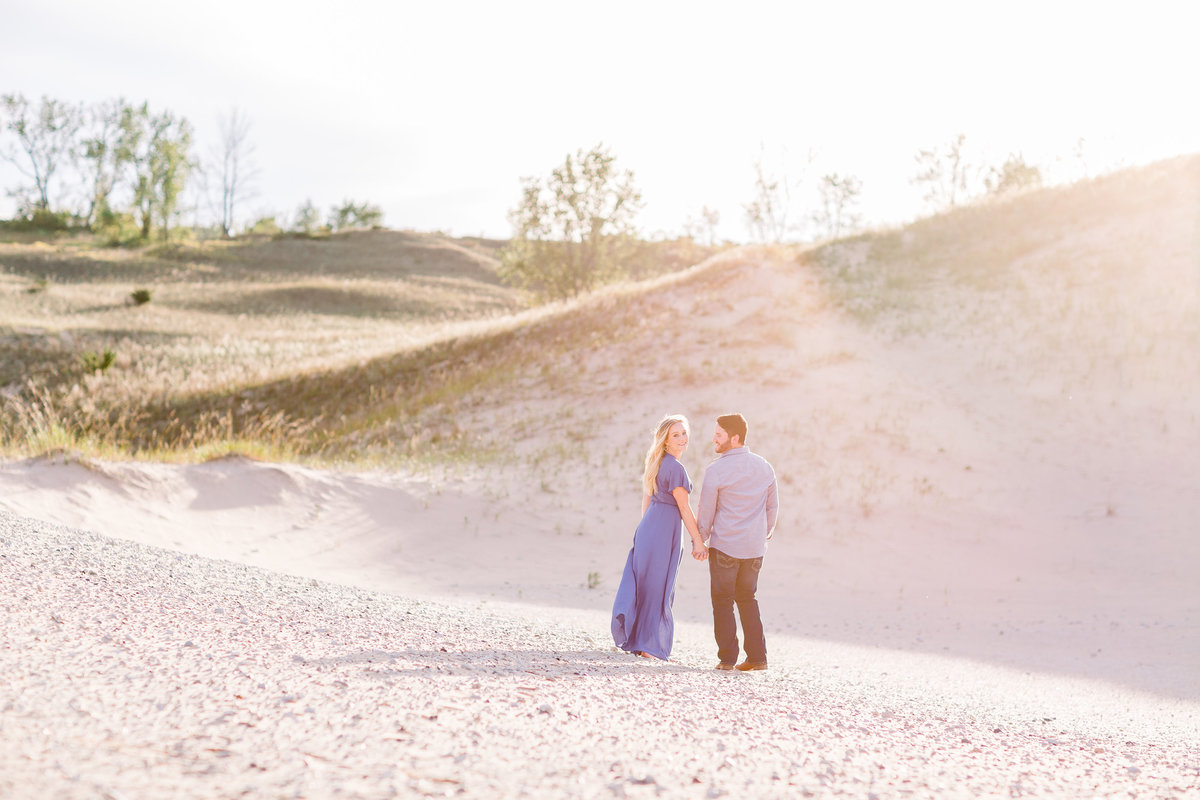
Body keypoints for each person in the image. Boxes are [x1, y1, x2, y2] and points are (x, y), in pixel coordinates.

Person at [611, 414, 709, 661]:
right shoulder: (675, 468)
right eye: (675, 434)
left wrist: (646, 529)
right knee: (658, 587)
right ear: (665, 440)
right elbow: (685, 509)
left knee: (648, 585)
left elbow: (647, 499)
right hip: (664, 530)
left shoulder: (657, 462)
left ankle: (643, 642)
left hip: (650, 527)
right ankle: (648, 645)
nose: (682, 438)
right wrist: (698, 540)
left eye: (684, 433)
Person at [697, 413, 778, 671]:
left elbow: (706, 510)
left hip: (726, 547)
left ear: (735, 438)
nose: (714, 439)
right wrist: (765, 533)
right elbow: (772, 506)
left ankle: (727, 659)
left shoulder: (716, 470)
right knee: (747, 598)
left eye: (719, 435)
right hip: (754, 549)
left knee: (722, 601)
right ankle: (757, 658)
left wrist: (700, 539)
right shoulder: (764, 466)